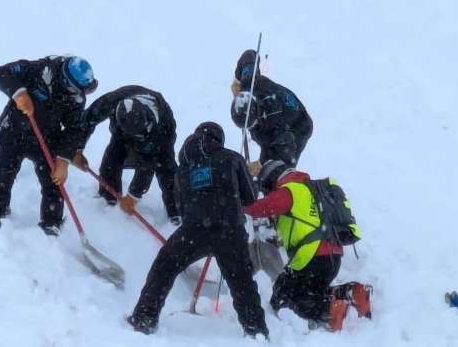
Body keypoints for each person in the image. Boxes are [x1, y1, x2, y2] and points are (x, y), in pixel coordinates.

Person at [127, 122, 269, 338]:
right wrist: (247, 180)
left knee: (164, 267)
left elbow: (181, 206)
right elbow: (249, 198)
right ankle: (256, 331)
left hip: (194, 231)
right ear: (218, 139)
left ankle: (144, 318)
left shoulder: (182, 170)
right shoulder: (231, 158)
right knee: (242, 282)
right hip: (229, 230)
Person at [243, 160, 372, 331]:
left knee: (282, 296)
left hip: (311, 257)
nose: (268, 194)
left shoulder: (290, 191)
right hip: (333, 255)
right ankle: (354, 293)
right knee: (311, 292)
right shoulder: (312, 189)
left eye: (267, 189)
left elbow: (257, 208)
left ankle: (329, 310)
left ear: (273, 180)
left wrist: (236, 201)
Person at [0, 55, 98, 235]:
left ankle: (51, 223)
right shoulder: (38, 69)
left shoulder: (77, 96)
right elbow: (1, 73)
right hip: (16, 129)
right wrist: (19, 93)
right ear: (64, 79)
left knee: (54, 180)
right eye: (71, 89)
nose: (75, 94)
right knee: (4, 172)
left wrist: (63, 159)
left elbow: (74, 129)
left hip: (47, 137)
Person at [78, 85, 180, 225]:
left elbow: (148, 164)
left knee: (165, 165)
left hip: (162, 132)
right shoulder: (111, 102)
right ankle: (108, 199)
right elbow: (87, 120)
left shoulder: (157, 126)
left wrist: (133, 196)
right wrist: (76, 149)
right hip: (123, 130)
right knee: (112, 158)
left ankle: (176, 211)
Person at [230, 50, 313, 174]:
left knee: (280, 171)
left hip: (300, 126)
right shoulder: (250, 82)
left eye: (250, 125)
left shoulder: (274, 128)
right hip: (284, 105)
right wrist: (237, 81)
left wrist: (261, 164)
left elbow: (286, 152)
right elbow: (250, 55)